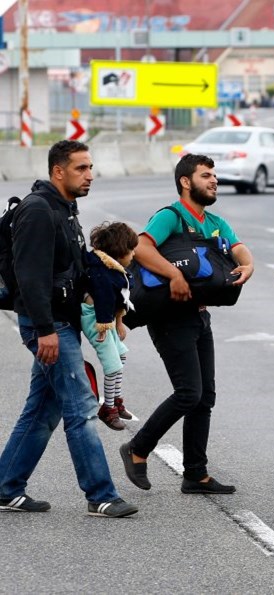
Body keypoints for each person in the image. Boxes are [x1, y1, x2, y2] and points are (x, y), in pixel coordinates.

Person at [0, 140, 138, 518]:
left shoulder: (65, 209)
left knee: (43, 409)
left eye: (90, 167)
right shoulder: (38, 211)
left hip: (62, 321)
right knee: (80, 408)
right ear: (58, 171)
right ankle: (101, 495)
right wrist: (44, 329)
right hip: (48, 325)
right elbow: (30, 276)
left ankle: (6, 486)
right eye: (81, 168)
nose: (89, 175)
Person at [119, 154, 254, 495]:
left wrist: (248, 266)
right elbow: (140, 246)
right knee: (188, 393)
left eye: (215, 176)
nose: (214, 181)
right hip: (168, 317)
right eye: (206, 175)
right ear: (185, 181)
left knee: (204, 397)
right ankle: (137, 448)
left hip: (198, 316)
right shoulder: (171, 216)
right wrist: (174, 274)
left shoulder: (215, 222)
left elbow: (239, 249)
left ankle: (196, 473)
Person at [82, 221, 139, 431]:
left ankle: (115, 399)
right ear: (119, 250)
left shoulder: (114, 269)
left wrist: (119, 323)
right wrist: (106, 327)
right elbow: (105, 301)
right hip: (96, 320)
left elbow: (119, 301)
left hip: (105, 320)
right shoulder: (102, 273)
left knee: (121, 354)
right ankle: (108, 408)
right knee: (112, 365)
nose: (133, 254)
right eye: (131, 250)